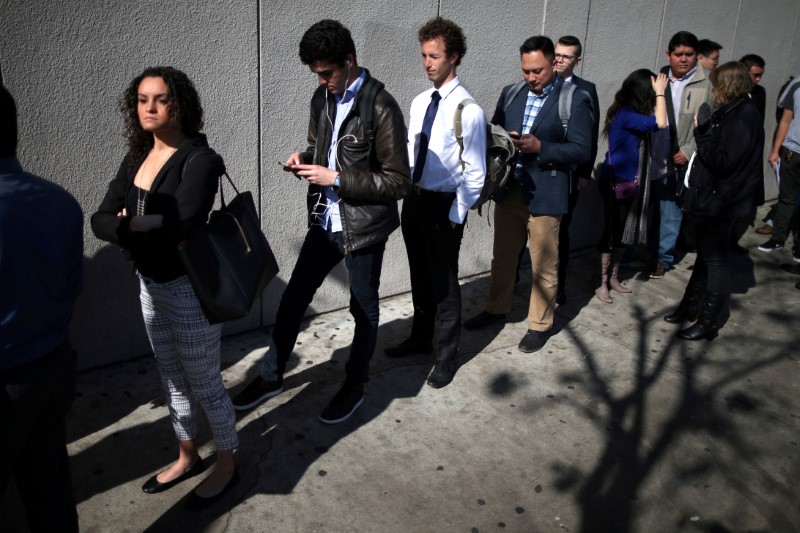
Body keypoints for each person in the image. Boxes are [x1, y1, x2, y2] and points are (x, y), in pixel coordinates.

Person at [232, 20, 410, 422]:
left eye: (326, 72)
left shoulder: (381, 106)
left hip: (363, 227)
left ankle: (355, 386)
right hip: (325, 219)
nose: (322, 80)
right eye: (316, 73)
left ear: (349, 61)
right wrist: (304, 159)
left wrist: (339, 179)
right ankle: (271, 375)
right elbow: (322, 148)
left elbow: (399, 181)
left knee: (363, 309)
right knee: (294, 298)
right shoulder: (322, 98)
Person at [91, 66, 238, 509]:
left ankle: (228, 463)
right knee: (172, 379)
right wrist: (141, 225)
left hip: (187, 291)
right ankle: (187, 455)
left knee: (206, 383)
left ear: (180, 104)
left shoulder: (200, 159)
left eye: (160, 99)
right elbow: (100, 219)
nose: (149, 108)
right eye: (141, 99)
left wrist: (129, 224)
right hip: (148, 285)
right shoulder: (136, 155)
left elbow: (181, 223)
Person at [463, 36, 592, 353]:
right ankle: (496, 309)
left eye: (538, 70)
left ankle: (539, 325)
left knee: (543, 264)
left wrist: (541, 148)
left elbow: (582, 149)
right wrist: (503, 138)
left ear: (554, 63)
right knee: (503, 257)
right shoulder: (512, 92)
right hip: (510, 191)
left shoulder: (574, 98)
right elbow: (495, 129)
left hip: (547, 194)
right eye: (526, 71)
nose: (531, 77)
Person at [383, 18, 486, 388]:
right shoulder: (420, 101)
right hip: (415, 200)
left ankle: (446, 357)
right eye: (424, 55)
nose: (427, 63)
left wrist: (457, 214)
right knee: (419, 275)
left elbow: (476, 172)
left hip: (445, 207)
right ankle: (420, 338)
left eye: (435, 56)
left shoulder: (468, 110)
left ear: (454, 57)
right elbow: (412, 152)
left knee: (444, 284)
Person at [0, 85, 83, 532]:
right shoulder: (60, 201)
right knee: (49, 491)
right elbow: (72, 288)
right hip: (52, 370)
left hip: (9, 379)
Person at [665, 62, 764, 340]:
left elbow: (723, 161)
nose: (713, 90)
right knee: (706, 258)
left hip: (723, 203)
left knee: (716, 261)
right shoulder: (735, 110)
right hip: (715, 199)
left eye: (717, 84)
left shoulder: (743, 115)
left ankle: (708, 322)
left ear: (727, 85)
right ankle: (690, 306)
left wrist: (702, 133)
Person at [595, 70, 669, 303]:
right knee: (611, 233)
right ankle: (602, 283)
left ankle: (613, 278)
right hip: (616, 181)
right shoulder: (626, 114)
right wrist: (661, 93)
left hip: (627, 182)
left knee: (622, 234)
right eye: (651, 91)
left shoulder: (630, 113)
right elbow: (661, 122)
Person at [649, 31, 715, 279]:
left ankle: (662, 258)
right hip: (654, 155)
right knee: (645, 207)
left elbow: (711, 125)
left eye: (689, 55)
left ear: (697, 55)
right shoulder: (658, 79)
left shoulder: (708, 82)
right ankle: (638, 252)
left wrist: (689, 150)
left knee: (670, 211)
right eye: (678, 54)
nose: (684, 59)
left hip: (680, 160)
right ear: (669, 54)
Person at [552, 35, 601, 304]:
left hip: (570, 172)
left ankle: (559, 286)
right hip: (542, 167)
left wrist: (584, 172)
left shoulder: (586, 89)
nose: (559, 59)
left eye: (566, 56)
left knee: (562, 230)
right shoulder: (542, 82)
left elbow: (590, 135)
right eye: (556, 53)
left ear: (577, 60)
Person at [758, 72, 800, 258]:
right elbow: (785, 119)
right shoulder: (796, 84)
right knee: (786, 199)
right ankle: (778, 238)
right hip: (792, 151)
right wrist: (776, 150)